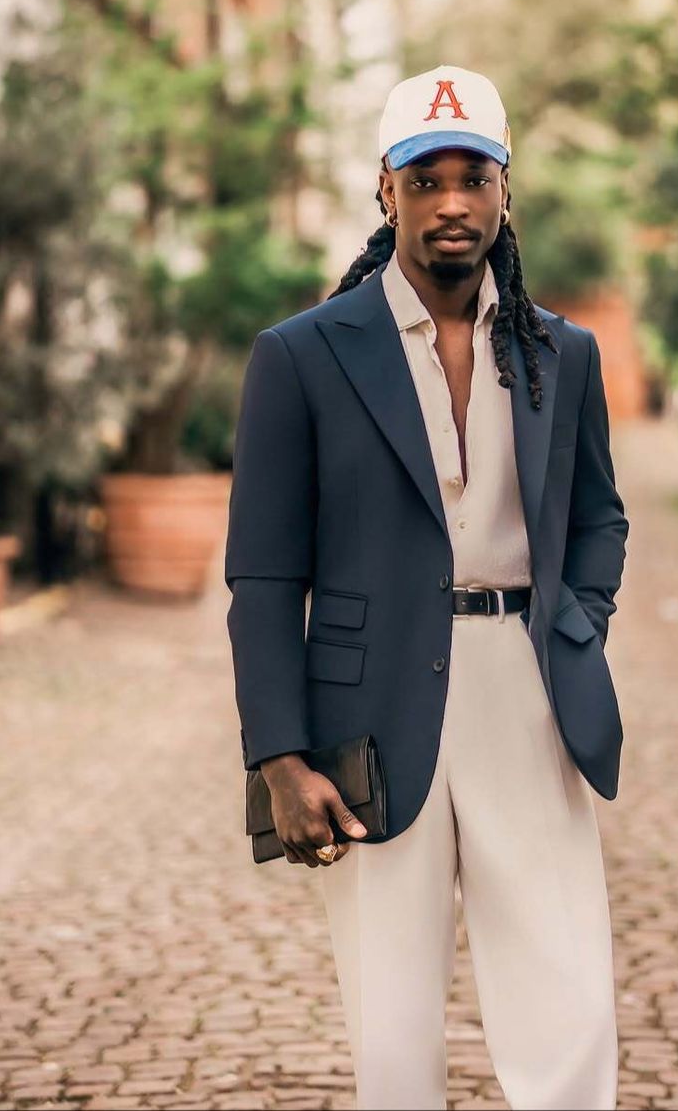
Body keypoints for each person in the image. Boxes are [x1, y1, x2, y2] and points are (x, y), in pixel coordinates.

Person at [224, 64, 630, 1110]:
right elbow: (265, 575)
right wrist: (278, 753)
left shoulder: (559, 352)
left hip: (525, 690)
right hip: (368, 709)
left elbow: (597, 515)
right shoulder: (301, 355)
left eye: (472, 177)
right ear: (386, 191)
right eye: (425, 179)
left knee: (567, 990)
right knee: (392, 1024)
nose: (450, 202)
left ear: (504, 190)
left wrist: (573, 630)